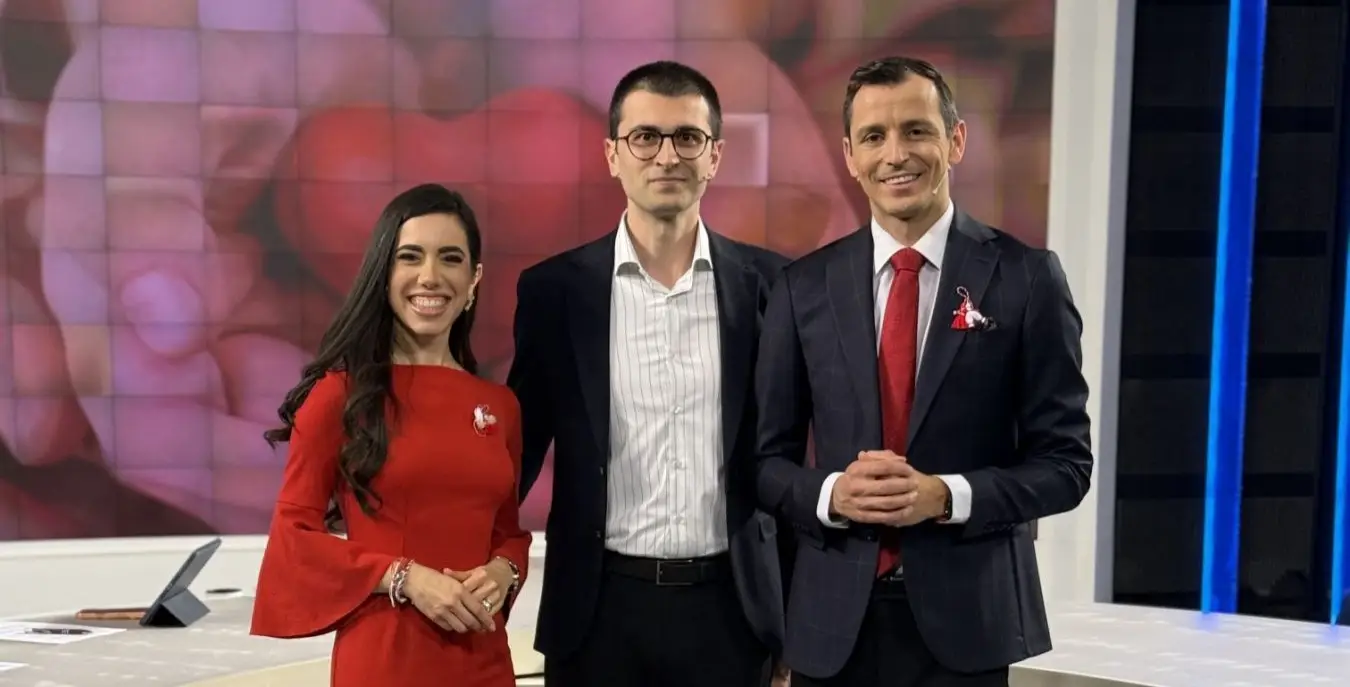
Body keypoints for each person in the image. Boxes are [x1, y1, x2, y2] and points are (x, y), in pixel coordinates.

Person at [753, 56, 1093, 687]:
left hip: (970, 627)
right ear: (850, 156)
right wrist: (831, 495)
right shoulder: (803, 287)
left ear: (955, 141)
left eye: (917, 130)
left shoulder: (1026, 278)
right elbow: (763, 464)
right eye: (875, 137)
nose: (896, 154)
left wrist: (948, 497)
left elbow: (1067, 465)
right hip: (832, 629)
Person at [507, 61, 790, 687]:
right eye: (645, 138)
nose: (667, 156)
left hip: (734, 612)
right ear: (612, 154)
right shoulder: (556, 292)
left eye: (687, 138)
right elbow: (515, 454)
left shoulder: (775, 287)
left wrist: (798, 622)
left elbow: (794, 458)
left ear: (715, 155)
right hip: (598, 611)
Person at [250, 183, 531, 687]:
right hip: (386, 660)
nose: (430, 276)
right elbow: (294, 537)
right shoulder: (340, 396)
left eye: (450, 258)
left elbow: (507, 533)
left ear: (473, 280)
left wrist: (504, 572)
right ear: (384, 275)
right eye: (410, 257)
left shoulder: (501, 407)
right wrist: (405, 578)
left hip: (483, 658)